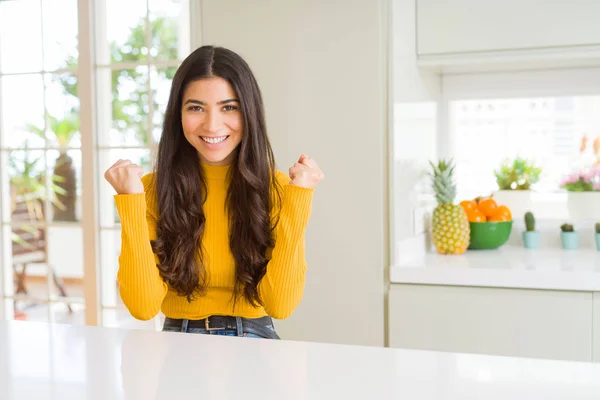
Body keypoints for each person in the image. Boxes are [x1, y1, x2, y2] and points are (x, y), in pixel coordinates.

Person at [104, 45, 324, 339]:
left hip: (255, 339)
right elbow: (143, 307)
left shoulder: (279, 190)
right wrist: (131, 201)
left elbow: (280, 305)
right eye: (196, 108)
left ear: (249, 112)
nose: (212, 125)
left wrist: (299, 198)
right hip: (177, 341)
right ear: (178, 113)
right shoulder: (150, 191)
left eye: (228, 107)